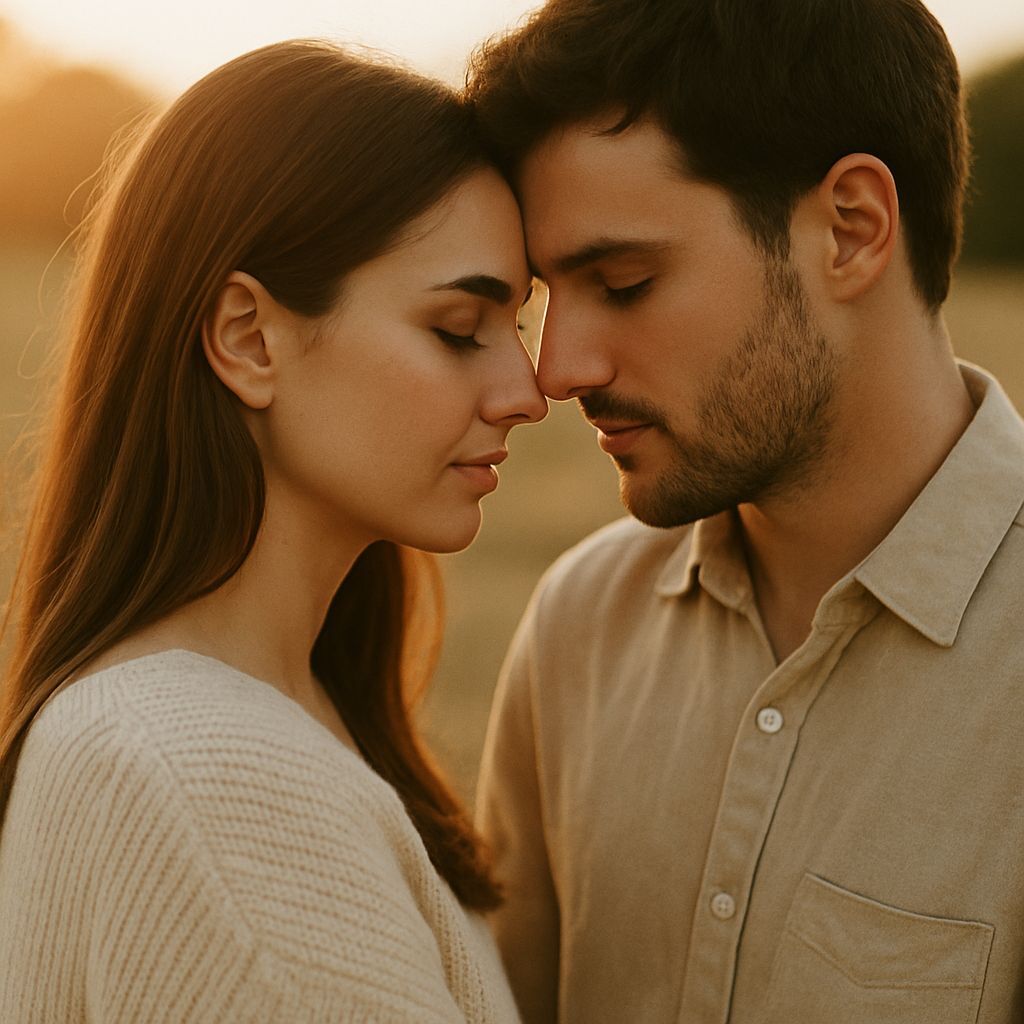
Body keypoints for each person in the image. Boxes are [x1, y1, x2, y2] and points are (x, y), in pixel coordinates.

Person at [467, 0, 1024, 1021]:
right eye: (546, 294)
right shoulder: (575, 628)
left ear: (850, 229)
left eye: (623, 281)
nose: (556, 368)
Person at [0, 39, 548, 1023]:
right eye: (460, 328)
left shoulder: (256, 722)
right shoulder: (209, 782)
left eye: (520, 324)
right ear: (247, 337)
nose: (524, 390)